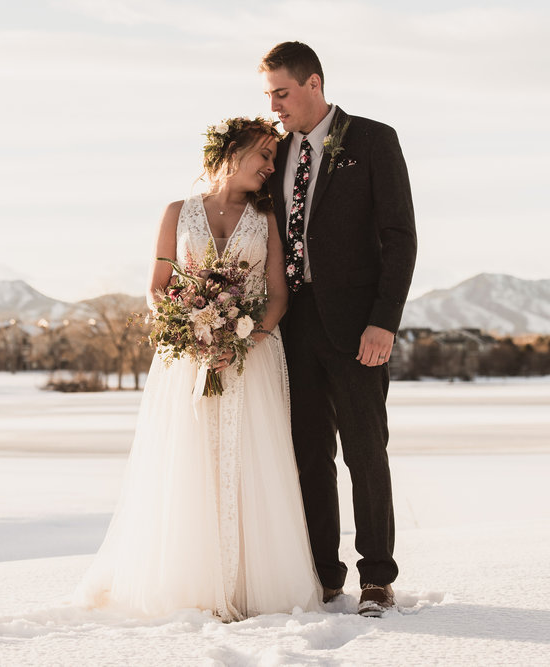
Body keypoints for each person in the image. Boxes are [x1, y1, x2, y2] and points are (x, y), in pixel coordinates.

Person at [75, 117, 322, 622]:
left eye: (276, 158)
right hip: (187, 359)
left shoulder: (268, 216)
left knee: (253, 466)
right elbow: (157, 286)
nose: (271, 166)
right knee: (189, 465)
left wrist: (243, 337)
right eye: (264, 156)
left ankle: (253, 586)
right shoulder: (176, 212)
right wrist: (190, 327)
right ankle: (194, 584)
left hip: (250, 360)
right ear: (232, 154)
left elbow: (277, 297)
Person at [260, 42, 418, 617]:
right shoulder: (272, 152)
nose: (275, 106)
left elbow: (400, 237)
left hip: (358, 329)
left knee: (365, 454)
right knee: (308, 455)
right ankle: (324, 575)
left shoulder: (374, 139)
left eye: (282, 92)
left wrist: (383, 322)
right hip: (292, 326)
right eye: (269, 95)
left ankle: (376, 576)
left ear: (314, 84)